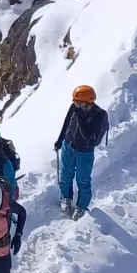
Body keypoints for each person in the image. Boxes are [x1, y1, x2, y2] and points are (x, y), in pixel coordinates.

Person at [53, 84, 108, 218]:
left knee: (83, 180)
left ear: (86, 103)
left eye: (78, 102)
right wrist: (60, 140)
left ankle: (81, 207)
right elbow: (67, 123)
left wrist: (80, 115)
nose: (75, 104)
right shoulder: (75, 108)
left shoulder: (99, 115)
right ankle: (65, 198)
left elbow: (87, 134)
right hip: (69, 145)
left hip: (85, 151)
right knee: (66, 174)